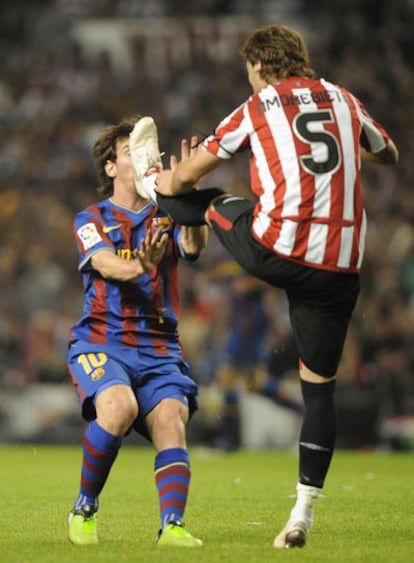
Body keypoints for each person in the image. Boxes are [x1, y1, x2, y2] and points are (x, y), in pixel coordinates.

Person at [153, 24, 399, 548]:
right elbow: (389, 153)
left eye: (249, 71)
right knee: (319, 388)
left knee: (188, 196)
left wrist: (167, 181)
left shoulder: (259, 105)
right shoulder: (345, 100)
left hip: (278, 248)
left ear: (260, 67)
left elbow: (187, 176)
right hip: (338, 269)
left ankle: (180, 231)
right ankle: (302, 513)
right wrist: (355, 148)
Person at [67, 115, 208, 547]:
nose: (144, 156)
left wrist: (190, 200)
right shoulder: (90, 217)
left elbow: (194, 248)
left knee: (171, 419)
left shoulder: (167, 213)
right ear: (110, 167)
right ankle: (84, 508)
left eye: (149, 150)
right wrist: (139, 266)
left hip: (159, 347)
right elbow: (105, 263)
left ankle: (172, 526)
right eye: (131, 151)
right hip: (102, 341)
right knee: (118, 406)